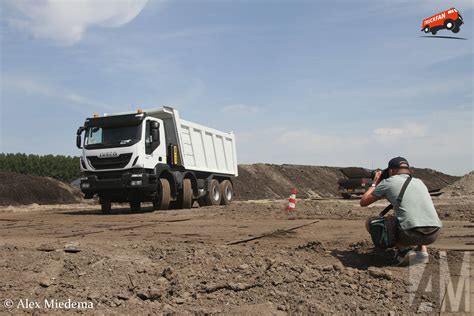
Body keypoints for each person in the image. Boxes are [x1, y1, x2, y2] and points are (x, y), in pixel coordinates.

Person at [360, 157, 442, 266]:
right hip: (433, 234)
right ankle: (422, 251)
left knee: (373, 221)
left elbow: (364, 202)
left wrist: (375, 182)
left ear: (391, 171)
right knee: (416, 214)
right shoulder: (419, 182)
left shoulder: (388, 182)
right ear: (408, 170)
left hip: (410, 235)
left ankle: (403, 252)